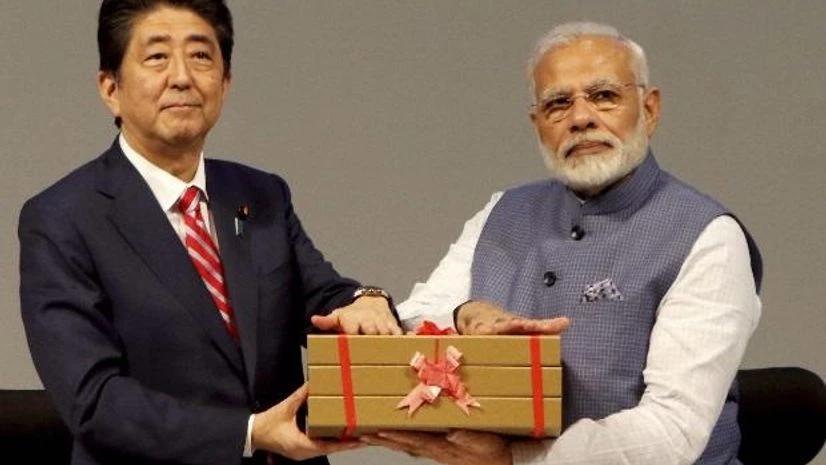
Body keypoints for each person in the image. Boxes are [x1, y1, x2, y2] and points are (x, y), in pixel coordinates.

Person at [17, 1, 402, 464]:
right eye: (157, 57)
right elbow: (94, 401)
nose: (182, 77)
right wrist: (249, 433)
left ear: (225, 82)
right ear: (110, 88)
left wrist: (364, 299)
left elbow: (322, 297)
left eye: (201, 56)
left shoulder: (262, 194)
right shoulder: (61, 218)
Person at [363, 21, 763, 465]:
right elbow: (415, 316)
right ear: (537, 124)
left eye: (604, 96)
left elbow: (672, 432)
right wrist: (464, 314)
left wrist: (514, 461)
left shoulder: (707, 236)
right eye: (558, 104)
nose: (580, 118)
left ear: (649, 110)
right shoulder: (502, 211)